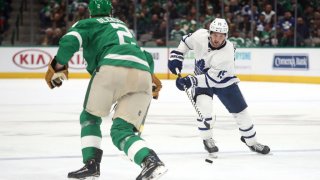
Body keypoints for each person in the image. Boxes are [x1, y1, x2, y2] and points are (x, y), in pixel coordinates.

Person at [44, 0, 167, 179]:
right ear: (111, 11)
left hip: (111, 67)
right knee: (122, 131)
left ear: (90, 12)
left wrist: (58, 65)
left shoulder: (87, 23)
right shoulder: (122, 25)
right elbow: (147, 56)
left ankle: (91, 164)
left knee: (90, 117)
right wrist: (151, 78)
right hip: (143, 72)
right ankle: (150, 161)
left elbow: (70, 41)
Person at [168, 18, 270, 155]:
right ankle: (207, 139)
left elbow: (210, 80)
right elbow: (185, 42)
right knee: (204, 109)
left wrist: (189, 81)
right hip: (201, 79)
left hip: (225, 83)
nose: (217, 39)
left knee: (241, 113)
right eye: (215, 34)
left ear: (226, 36)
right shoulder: (200, 36)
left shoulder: (227, 53)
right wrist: (177, 56)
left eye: (221, 36)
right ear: (209, 33)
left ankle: (252, 142)